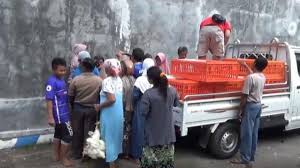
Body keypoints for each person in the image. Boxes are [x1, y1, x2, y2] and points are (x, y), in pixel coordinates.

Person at [231, 56, 268, 168]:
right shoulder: (262, 76)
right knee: (253, 133)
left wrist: (240, 110)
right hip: (258, 106)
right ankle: (251, 157)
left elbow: (244, 96)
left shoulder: (250, 78)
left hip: (250, 107)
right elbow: (253, 75)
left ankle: (245, 159)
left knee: (246, 133)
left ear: (255, 64)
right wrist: (245, 65)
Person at [140, 66, 179, 168]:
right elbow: (176, 104)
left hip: (152, 137)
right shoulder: (173, 91)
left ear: (151, 80)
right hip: (168, 136)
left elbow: (143, 113)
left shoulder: (148, 95)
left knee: (150, 164)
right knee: (166, 164)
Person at [68, 58, 102, 160]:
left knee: (77, 132)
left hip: (78, 108)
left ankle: (76, 154)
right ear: (93, 68)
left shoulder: (76, 79)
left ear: (83, 67)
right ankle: (87, 155)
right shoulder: (99, 80)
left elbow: (70, 96)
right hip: (92, 109)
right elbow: (101, 96)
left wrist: (73, 106)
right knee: (89, 132)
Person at [95, 59, 124, 168]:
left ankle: (111, 163)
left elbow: (112, 99)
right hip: (118, 113)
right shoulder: (119, 80)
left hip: (109, 113)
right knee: (115, 135)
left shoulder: (106, 81)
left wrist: (99, 106)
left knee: (108, 136)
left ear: (107, 68)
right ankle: (114, 160)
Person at [45, 57, 73, 167]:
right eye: (60, 70)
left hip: (64, 112)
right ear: (53, 69)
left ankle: (56, 155)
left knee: (58, 134)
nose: (63, 72)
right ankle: (63, 158)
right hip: (60, 115)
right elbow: (49, 100)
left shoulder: (61, 80)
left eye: (64, 70)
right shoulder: (51, 82)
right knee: (69, 134)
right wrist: (50, 117)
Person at [131, 58, 155, 162]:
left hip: (140, 106)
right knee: (149, 131)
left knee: (138, 130)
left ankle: (136, 156)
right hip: (152, 107)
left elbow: (135, 95)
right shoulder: (155, 79)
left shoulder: (140, 80)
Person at [120, 60, 136, 159]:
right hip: (133, 109)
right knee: (129, 129)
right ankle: (128, 151)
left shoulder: (121, 81)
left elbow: (121, 98)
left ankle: (123, 151)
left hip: (124, 108)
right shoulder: (135, 79)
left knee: (124, 130)